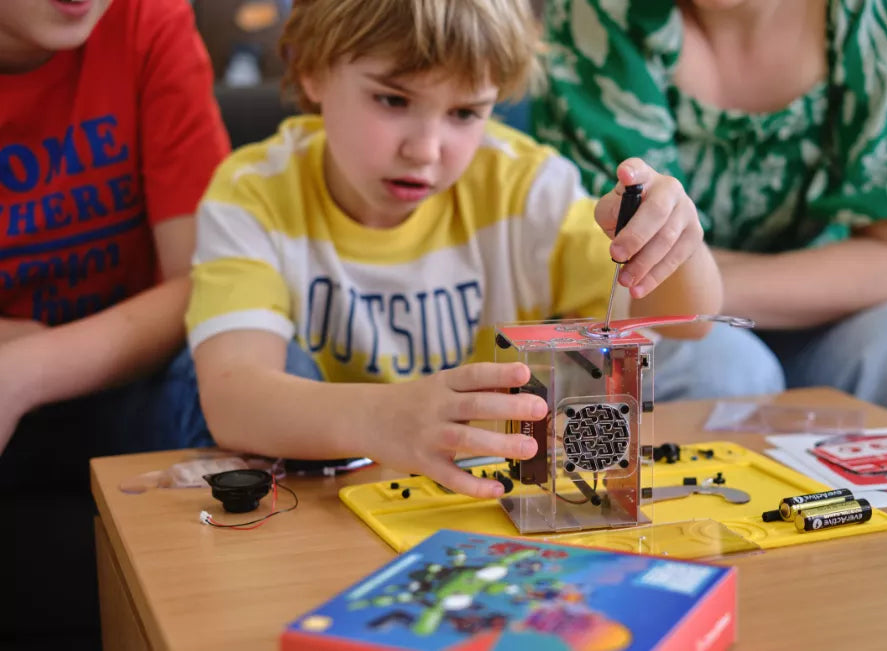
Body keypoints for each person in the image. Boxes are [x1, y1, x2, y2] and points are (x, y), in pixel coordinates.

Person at [187, 0, 724, 499]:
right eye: (392, 100)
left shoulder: (527, 187)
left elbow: (689, 324)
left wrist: (677, 241)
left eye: (465, 113)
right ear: (312, 70)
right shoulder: (254, 192)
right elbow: (233, 400)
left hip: (484, 488)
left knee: (734, 362)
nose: (424, 150)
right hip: (323, 490)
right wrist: (381, 419)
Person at [533, 0, 887, 445]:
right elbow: (603, 257)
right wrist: (865, 273)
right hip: (675, 333)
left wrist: (694, 285)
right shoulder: (597, 11)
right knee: (720, 363)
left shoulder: (879, 11)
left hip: (833, 324)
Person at [0, 0, 228, 643]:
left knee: (265, 371)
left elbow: (203, 283)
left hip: (121, 384)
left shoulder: (146, 21)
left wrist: (24, 370)